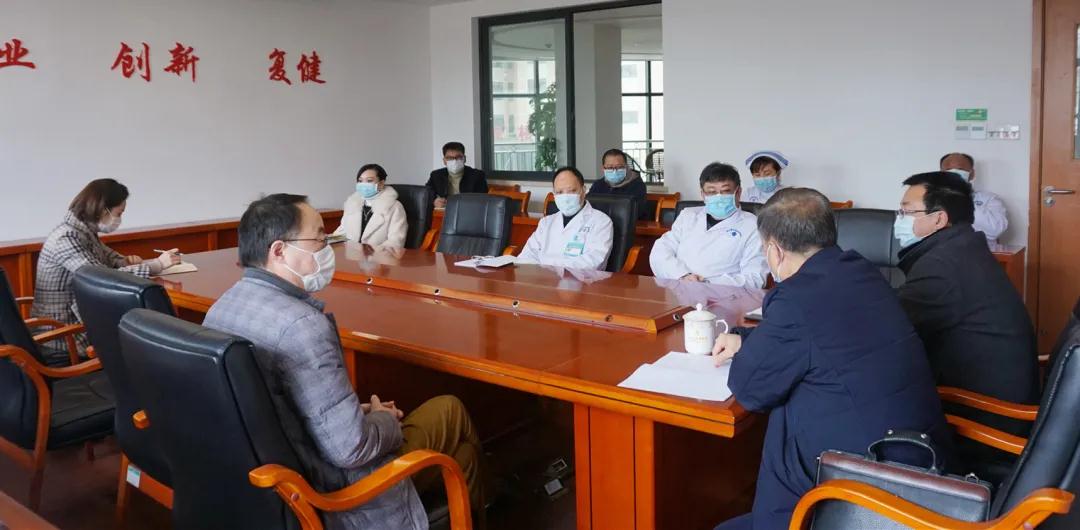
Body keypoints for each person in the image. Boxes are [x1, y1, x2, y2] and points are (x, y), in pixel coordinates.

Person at [203, 194, 485, 530]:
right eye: (319, 239)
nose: (327, 248)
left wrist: (357, 412)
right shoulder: (302, 327)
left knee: (463, 457)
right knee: (451, 410)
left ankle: (476, 509)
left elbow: (281, 405)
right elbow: (352, 449)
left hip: (271, 483)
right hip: (335, 490)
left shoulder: (223, 307)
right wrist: (383, 419)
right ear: (279, 251)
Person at [711, 188, 951, 530]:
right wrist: (746, 339)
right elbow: (826, 339)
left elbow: (750, 389)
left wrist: (751, 349)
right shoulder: (861, 271)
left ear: (775, 251)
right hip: (918, 470)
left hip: (861, 494)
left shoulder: (796, 297)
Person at [894, 172, 1038, 439]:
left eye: (906, 212)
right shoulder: (964, 249)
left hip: (984, 425)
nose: (899, 220)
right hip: (1000, 403)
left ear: (939, 219)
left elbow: (889, 328)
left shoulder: (943, 265)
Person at [32, 178, 179, 354]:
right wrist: (157, 265)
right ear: (103, 209)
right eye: (119, 213)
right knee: (147, 339)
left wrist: (124, 261)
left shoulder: (84, 232)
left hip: (79, 322)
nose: (119, 219)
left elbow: (108, 256)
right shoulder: (67, 238)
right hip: (64, 337)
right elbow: (102, 279)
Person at [649, 162, 768, 287]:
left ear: (738, 193)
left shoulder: (753, 225)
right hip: (679, 287)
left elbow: (754, 278)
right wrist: (683, 275)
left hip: (724, 295)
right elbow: (660, 253)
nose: (719, 197)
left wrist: (706, 284)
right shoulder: (688, 216)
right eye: (711, 192)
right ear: (703, 194)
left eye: (725, 191)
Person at [516, 166, 613, 270]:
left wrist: (546, 263)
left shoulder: (601, 222)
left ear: (583, 190)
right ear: (554, 195)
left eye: (571, 191)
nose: (566, 197)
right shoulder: (546, 222)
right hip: (542, 277)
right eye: (559, 192)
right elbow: (526, 256)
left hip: (581, 279)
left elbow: (593, 262)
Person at [333, 163, 408, 248]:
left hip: (379, 255)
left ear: (381, 183)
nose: (363, 184)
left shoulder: (394, 207)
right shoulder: (352, 205)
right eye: (360, 181)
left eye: (369, 181)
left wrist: (371, 254)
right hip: (352, 254)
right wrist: (327, 241)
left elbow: (396, 242)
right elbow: (342, 233)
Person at [940, 152, 1008, 243]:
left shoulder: (989, 199)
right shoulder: (930, 199)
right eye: (948, 170)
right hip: (942, 250)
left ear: (972, 174)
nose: (954, 173)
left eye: (960, 169)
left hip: (979, 250)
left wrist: (961, 199)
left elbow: (996, 230)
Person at [587, 148, 648, 220]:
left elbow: (635, 213)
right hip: (600, 223)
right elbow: (589, 208)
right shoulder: (598, 185)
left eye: (619, 167)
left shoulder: (637, 186)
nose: (614, 171)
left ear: (626, 167)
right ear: (603, 168)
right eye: (610, 167)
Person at [426, 141, 489, 209]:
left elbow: (483, 200)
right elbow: (426, 194)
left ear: (464, 158)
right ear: (444, 161)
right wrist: (434, 201)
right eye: (449, 158)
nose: (454, 161)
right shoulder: (436, 175)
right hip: (444, 211)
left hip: (468, 211)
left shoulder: (477, 175)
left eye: (458, 157)